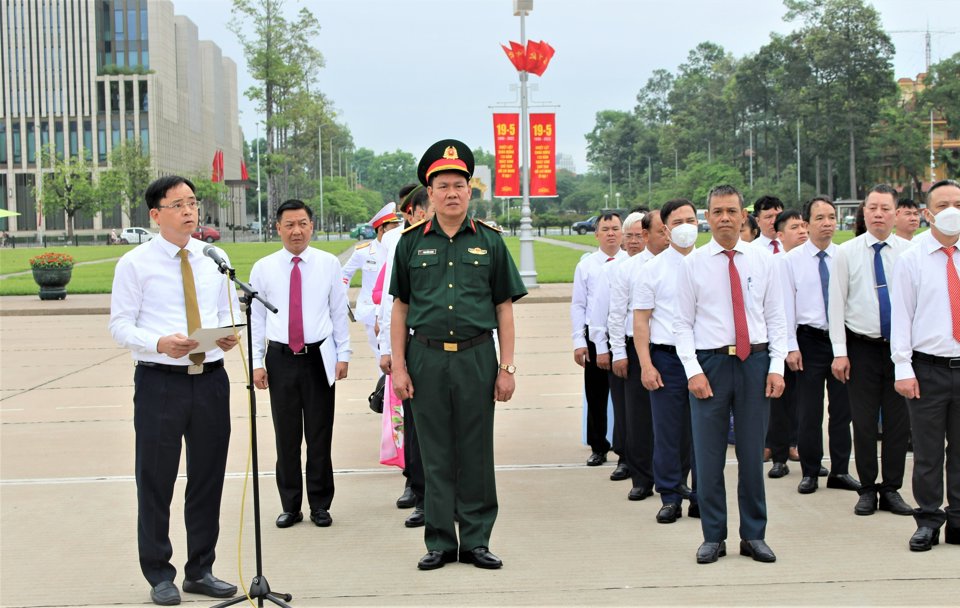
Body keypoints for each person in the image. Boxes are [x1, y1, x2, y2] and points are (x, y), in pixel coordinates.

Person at [389, 139, 526, 571]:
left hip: (475, 357)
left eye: (460, 185)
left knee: (475, 451)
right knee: (433, 452)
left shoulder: (490, 241)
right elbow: (400, 308)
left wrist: (506, 367)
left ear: (471, 191)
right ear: (428, 194)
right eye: (443, 185)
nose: (452, 193)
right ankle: (440, 542)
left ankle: (477, 539)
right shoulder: (410, 243)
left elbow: (503, 307)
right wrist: (398, 366)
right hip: (426, 356)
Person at [109, 175, 240, 606]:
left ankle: (200, 569)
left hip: (211, 381)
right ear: (155, 214)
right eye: (179, 204)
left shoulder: (213, 257)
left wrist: (227, 335)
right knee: (156, 480)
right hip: (159, 382)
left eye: (193, 202)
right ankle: (159, 573)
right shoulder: (135, 263)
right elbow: (120, 325)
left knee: (207, 478)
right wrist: (158, 343)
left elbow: (227, 311)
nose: (189, 211)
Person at [675, 184, 786, 565]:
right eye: (717, 211)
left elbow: (776, 318)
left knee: (754, 455)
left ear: (744, 216)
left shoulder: (764, 261)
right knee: (708, 458)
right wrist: (693, 371)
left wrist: (776, 366)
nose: (724, 217)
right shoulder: (692, 265)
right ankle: (713, 535)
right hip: (711, 365)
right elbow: (681, 324)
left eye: (731, 211)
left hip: (754, 363)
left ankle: (754, 535)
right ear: (707, 218)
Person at [250, 199, 351, 529]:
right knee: (286, 437)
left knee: (320, 434)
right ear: (277, 228)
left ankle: (320, 504)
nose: (297, 230)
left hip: (319, 358)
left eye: (303, 223)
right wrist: (256, 362)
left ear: (312, 226)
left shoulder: (328, 264)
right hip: (280, 360)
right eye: (289, 224)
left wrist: (343, 354)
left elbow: (338, 311)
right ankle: (290, 505)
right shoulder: (263, 268)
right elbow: (257, 320)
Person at [828, 184, 913, 517]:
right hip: (860, 347)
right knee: (863, 422)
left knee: (897, 423)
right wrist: (839, 351)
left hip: (899, 349)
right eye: (872, 208)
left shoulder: (909, 252)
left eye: (885, 208)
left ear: (896, 213)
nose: (878, 214)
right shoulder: (845, 253)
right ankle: (866, 488)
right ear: (863, 213)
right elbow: (836, 304)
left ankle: (891, 488)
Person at [890, 178, 960, 551]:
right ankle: (929, 519)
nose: (952, 211)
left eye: (958, 204)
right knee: (929, 452)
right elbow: (901, 317)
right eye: (944, 205)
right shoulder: (912, 258)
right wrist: (903, 367)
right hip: (928, 368)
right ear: (928, 212)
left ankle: (959, 520)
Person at [781, 196, 859, 495]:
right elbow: (786, 306)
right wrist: (791, 346)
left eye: (831, 217)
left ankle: (840, 470)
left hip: (841, 340)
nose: (827, 223)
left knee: (842, 410)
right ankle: (811, 471)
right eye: (820, 218)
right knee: (809, 410)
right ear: (806, 223)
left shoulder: (845, 256)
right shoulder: (791, 261)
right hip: (809, 341)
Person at [634, 198, 702, 523]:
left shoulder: (710, 263)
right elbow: (641, 321)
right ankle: (671, 495)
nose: (686, 227)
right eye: (678, 222)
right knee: (668, 432)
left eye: (691, 219)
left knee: (705, 431)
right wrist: (646, 365)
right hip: (667, 360)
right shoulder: (652, 270)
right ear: (665, 228)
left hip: (706, 359)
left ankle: (702, 495)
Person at [379, 184, 433, 527]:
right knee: (414, 425)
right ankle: (418, 488)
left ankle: (452, 497)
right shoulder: (399, 241)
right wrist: (389, 350)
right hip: (414, 343)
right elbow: (392, 299)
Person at [591, 212, 655, 496]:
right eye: (628, 235)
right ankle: (638, 474)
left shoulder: (668, 265)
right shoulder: (620, 269)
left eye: (639, 235)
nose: (632, 241)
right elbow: (611, 314)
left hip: (665, 346)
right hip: (630, 346)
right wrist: (615, 350)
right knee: (634, 415)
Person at [571, 212, 625, 467]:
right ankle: (598, 446)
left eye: (615, 228)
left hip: (624, 338)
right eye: (606, 229)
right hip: (594, 338)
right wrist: (578, 342)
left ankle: (626, 447)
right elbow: (578, 305)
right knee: (596, 394)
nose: (611, 233)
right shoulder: (587, 265)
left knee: (625, 397)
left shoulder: (630, 262)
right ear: (596, 234)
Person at [765, 209, 808, 480]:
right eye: (795, 227)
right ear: (780, 235)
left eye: (804, 225)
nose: (802, 231)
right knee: (781, 400)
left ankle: (803, 449)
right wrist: (787, 345)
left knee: (806, 402)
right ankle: (779, 456)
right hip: (782, 339)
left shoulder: (813, 260)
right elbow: (778, 309)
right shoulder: (776, 263)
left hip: (810, 338)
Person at [341, 202, 402, 369]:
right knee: (381, 356)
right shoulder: (363, 251)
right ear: (381, 229)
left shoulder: (399, 247)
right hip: (371, 310)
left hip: (394, 309)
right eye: (393, 226)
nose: (397, 230)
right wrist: (343, 296)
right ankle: (383, 392)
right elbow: (345, 274)